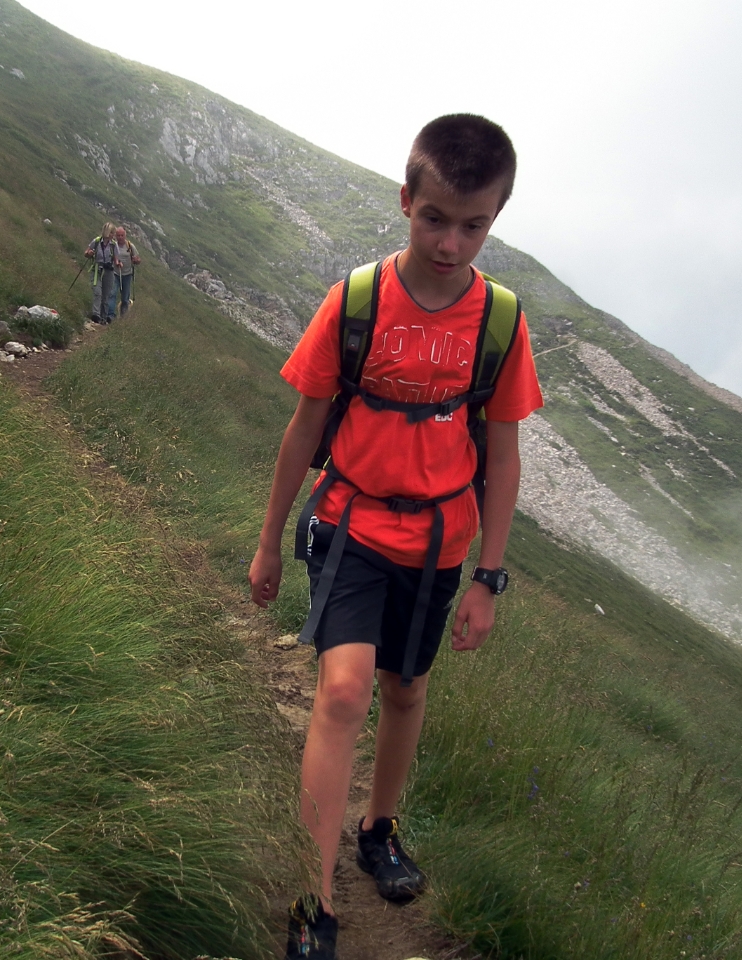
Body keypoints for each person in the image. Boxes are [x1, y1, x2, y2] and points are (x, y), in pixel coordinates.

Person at [248, 115, 543, 959]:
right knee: (344, 692)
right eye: (436, 218)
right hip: (349, 523)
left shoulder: (501, 320)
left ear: (496, 217)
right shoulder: (358, 300)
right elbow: (304, 428)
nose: (452, 242)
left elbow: (503, 450)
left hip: (441, 543)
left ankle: (379, 830)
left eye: (474, 224)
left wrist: (490, 576)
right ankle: (314, 902)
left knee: (405, 690)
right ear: (406, 199)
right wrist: (270, 539)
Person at [83, 222, 117, 322]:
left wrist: (118, 263)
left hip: (109, 271)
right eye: (111, 233)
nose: (113, 235)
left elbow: (116, 258)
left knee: (106, 295)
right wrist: (89, 253)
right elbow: (86, 253)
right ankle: (96, 315)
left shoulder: (113, 245)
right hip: (97, 269)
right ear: (107, 232)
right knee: (97, 292)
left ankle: (103, 317)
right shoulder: (96, 241)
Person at [108, 226, 141, 319]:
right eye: (118, 235)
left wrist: (136, 260)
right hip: (115, 273)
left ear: (125, 235)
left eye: (122, 235)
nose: (120, 237)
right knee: (112, 293)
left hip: (127, 274)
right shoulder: (113, 245)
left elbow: (138, 259)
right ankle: (110, 315)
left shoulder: (130, 246)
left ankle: (123, 317)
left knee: (125, 298)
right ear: (115, 236)